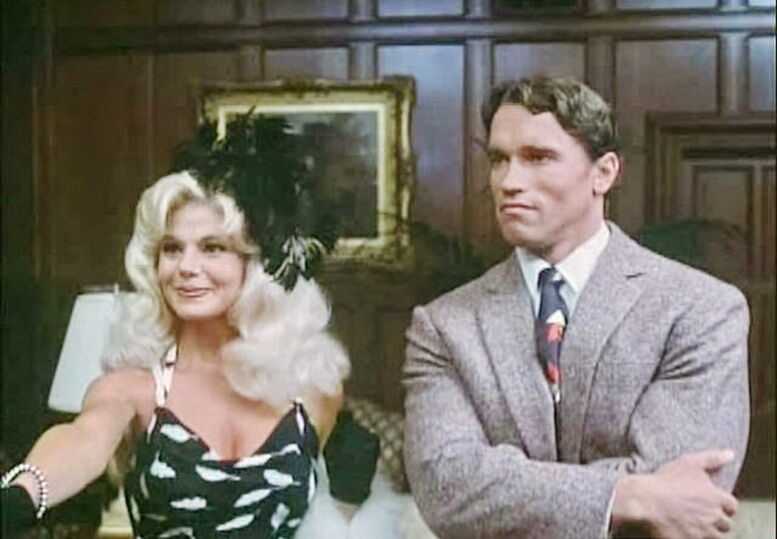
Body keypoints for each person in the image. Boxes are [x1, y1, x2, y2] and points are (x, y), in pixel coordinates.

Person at [402, 76, 750, 539]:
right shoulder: (444, 325)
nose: (509, 182)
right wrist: (627, 497)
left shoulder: (701, 309)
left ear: (604, 173)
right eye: (499, 159)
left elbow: (692, 490)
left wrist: (510, 491)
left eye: (538, 157)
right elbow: (446, 487)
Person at [1, 170, 352, 537]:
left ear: (256, 264)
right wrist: (21, 494)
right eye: (172, 248)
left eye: (212, 247)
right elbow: (84, 440)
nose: (186, 267)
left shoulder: (311, 392)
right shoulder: (134, 389)